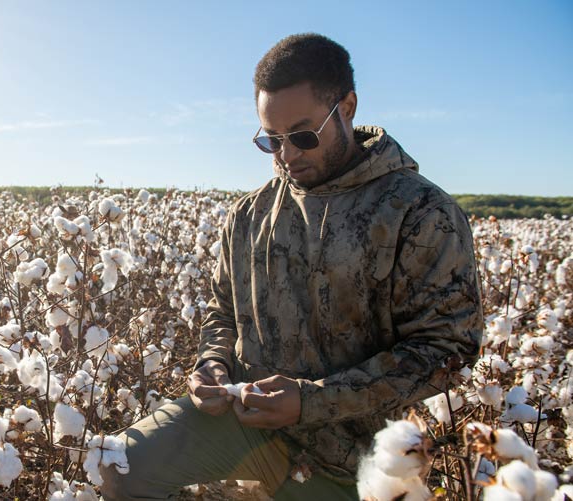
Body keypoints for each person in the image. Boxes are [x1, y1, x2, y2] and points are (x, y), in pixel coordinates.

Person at [100, 33, 482, 500]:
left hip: (361, 462)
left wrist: (310, 401)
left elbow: (446, 354)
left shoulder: (421, 212)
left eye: (302, 136)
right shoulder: (249, 215)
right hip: (248, 427)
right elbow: (222, 311)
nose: (286, 155)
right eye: (270, 140)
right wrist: (212, 364)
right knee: (119, 467)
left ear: (347, 107)